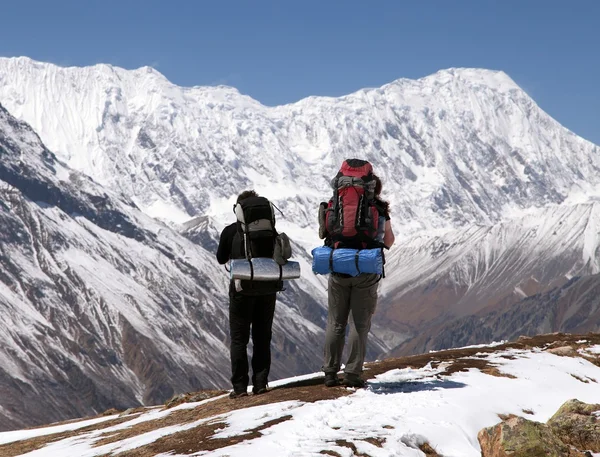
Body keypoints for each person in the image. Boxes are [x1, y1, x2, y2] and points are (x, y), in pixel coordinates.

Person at [322, 172, 395, 388]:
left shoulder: (335, 205)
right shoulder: (379, 210)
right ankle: (352, 374)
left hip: (338, 268)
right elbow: (389, 240)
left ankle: (330, 373)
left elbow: (324, 232)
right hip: (365, 271)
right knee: (359, 324)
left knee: (336, 322)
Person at [216, 190, 278, 398]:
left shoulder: (230, 231)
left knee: (239, 339)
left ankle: (240, 388)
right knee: (262, 337)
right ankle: (261, 383)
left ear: (239, 210)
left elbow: (220, 258)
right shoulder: (270, 230)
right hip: (267, 289)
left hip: (241, 290)